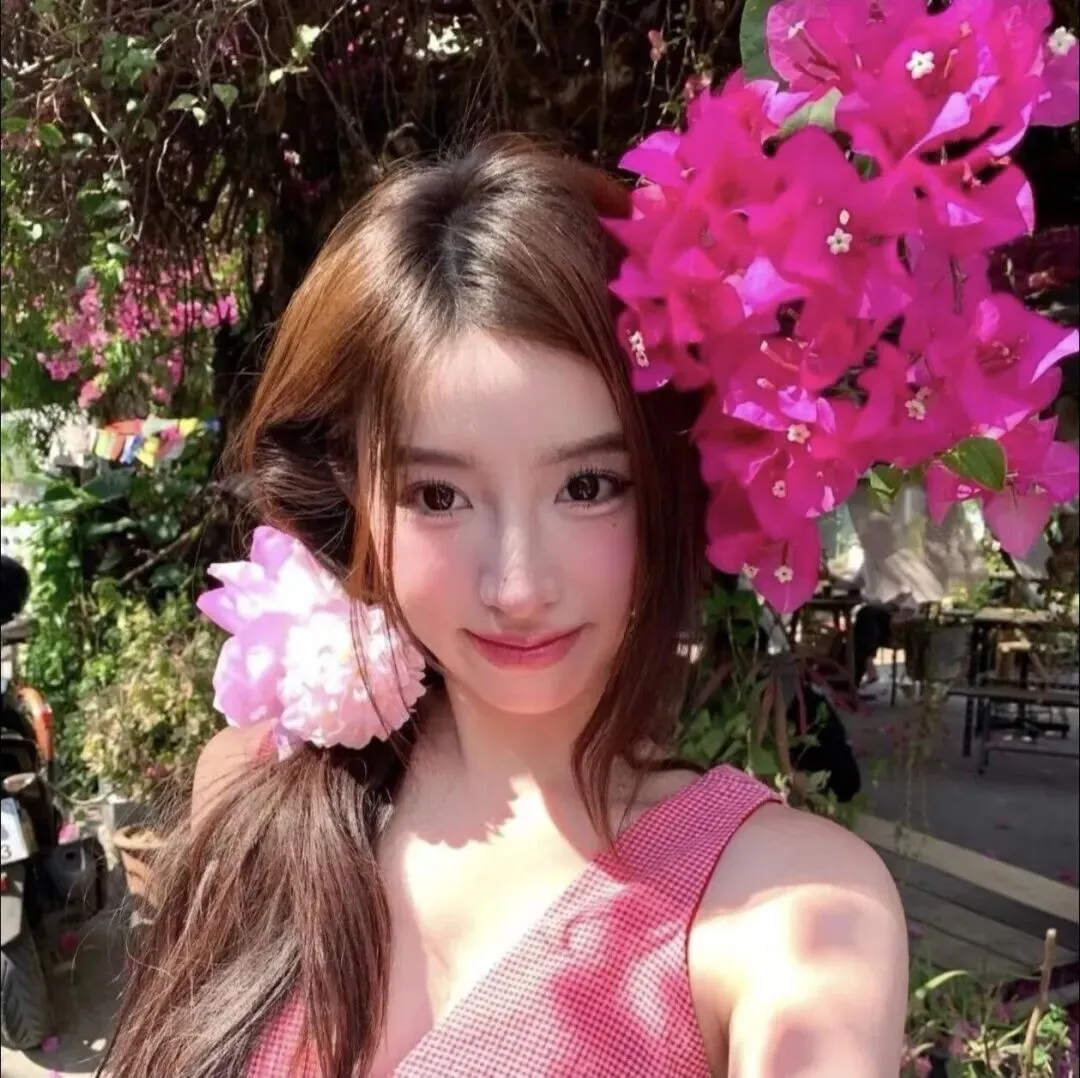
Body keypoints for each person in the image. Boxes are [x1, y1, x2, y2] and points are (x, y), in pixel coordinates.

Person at [102, 136, 907, 1078]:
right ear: (352, 490)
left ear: (673, 484)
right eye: (438, 496)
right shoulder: (259, 789)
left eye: (589, 486)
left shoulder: (782, 913)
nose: (517, 587)